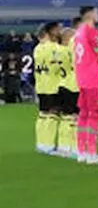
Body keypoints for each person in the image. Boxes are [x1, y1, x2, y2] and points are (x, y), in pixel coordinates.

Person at [73, 7, 98, 164]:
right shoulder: (92, 31)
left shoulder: (78, 33)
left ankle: (81, 151)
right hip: (93, 78)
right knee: (94, 114)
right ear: (90, 15)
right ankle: (91, 152)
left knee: (83, 114)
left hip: (82, 77)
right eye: (96, 13)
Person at [32, 22, 61, 155]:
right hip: (53, 85)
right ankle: (49, 145)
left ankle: (41, 143)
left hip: (41, 85)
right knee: (53, 115)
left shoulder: (37, 48)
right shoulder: (54, 48)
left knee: (42, 115)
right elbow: (57, 67)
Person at [56, 21, 81, 159]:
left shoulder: (57, 51)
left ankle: (63, 146)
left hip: (62, 84)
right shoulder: (69, 50)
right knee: (75, 118)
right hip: (73, 85)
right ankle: (74, 146)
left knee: (65, 117)